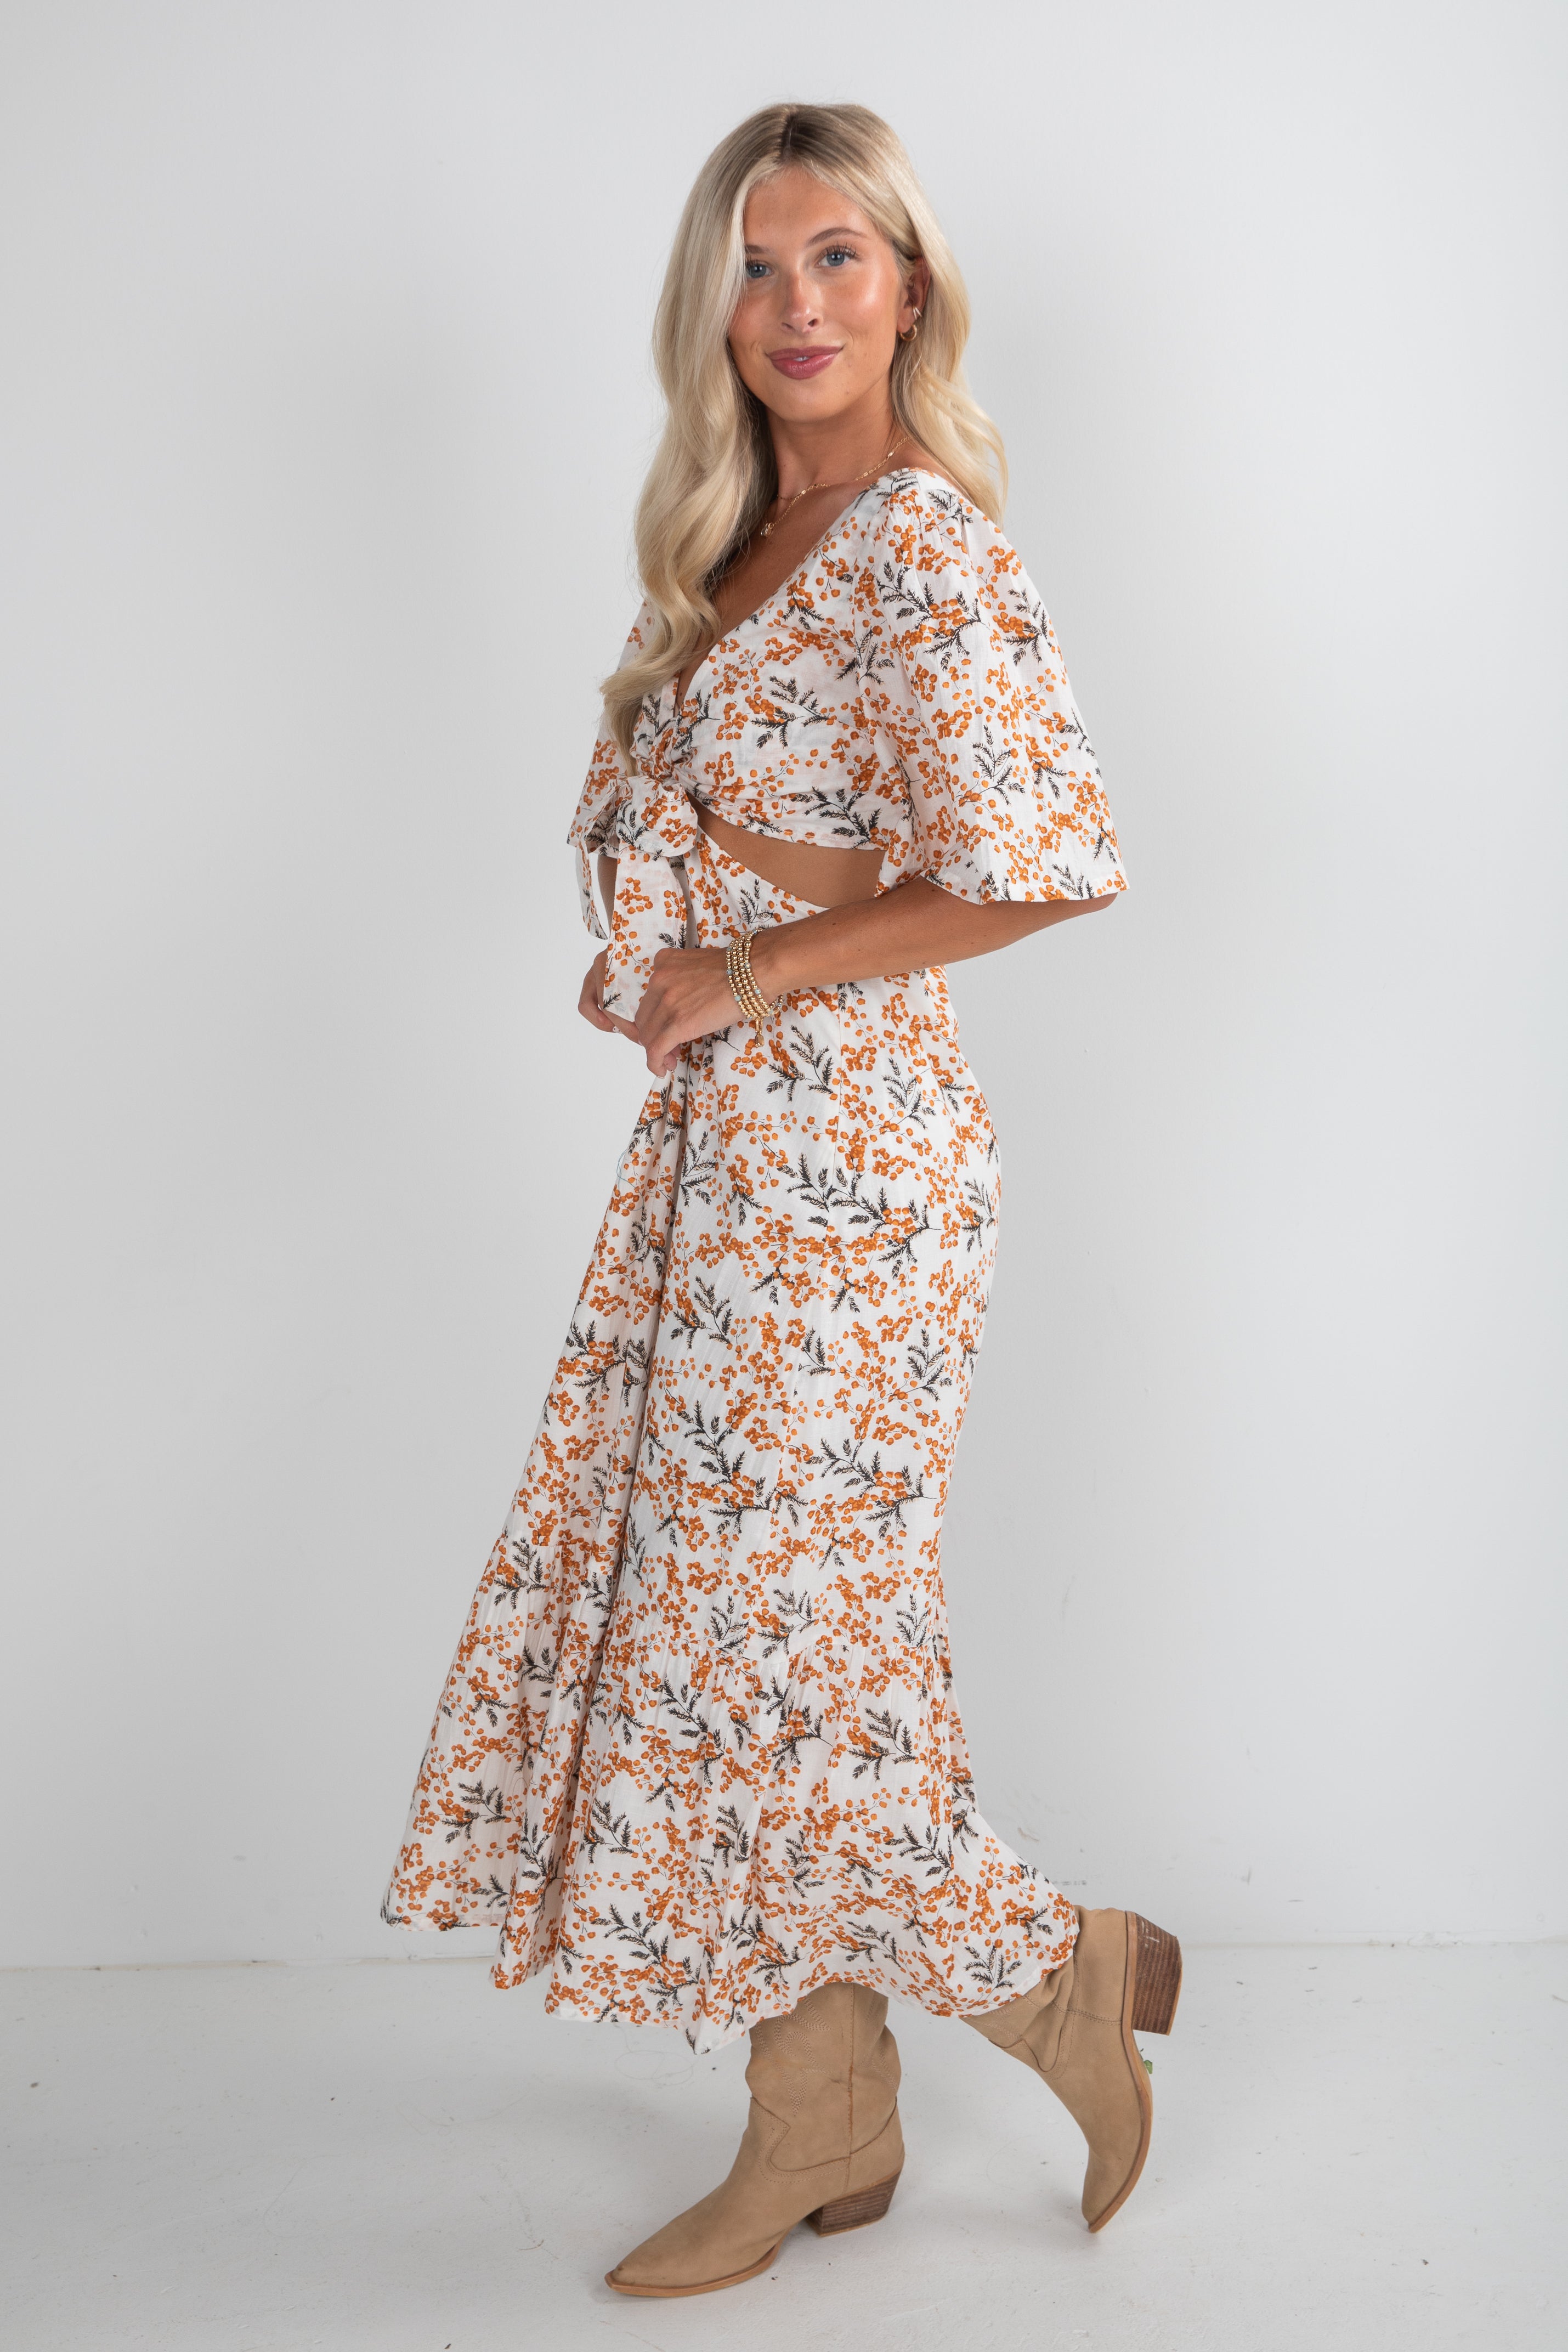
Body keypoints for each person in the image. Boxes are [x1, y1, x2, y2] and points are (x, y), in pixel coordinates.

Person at [383, 100, 1181, 2299]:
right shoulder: (731, 541)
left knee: (768, 1670)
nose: (798, 306)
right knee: (747, 1664)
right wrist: (663, 945)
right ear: (713, 308)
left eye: (840, 258)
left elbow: (1045, 857)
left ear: (910, 285)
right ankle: (828, 2113)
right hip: (721, 1156)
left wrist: (741, 961)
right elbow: (753, 825)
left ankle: (1050, 1977)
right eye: (759, 267)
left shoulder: (922, 541)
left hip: (852, 1173)